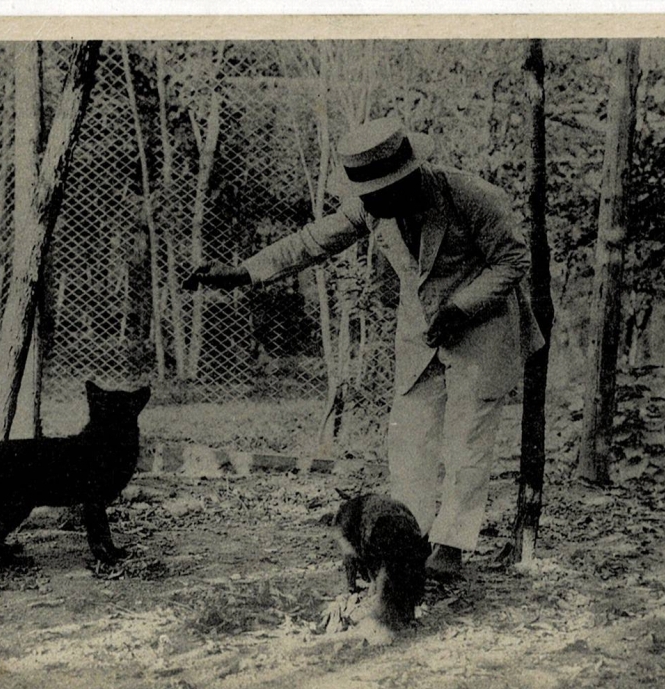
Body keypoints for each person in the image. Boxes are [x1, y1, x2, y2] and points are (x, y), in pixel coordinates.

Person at [186, 117, 544, 579]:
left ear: (409, 175)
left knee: (467, 441)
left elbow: (513, 259)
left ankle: (452, 547)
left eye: (380, 192)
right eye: (367, 195)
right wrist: (243, 272)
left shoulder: (472, 196)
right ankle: (409, 540)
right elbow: (314, 241)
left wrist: (462, 307)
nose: (371, 205)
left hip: (482, 327)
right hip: (422, 333)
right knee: (409, 438)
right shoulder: (375, 206)